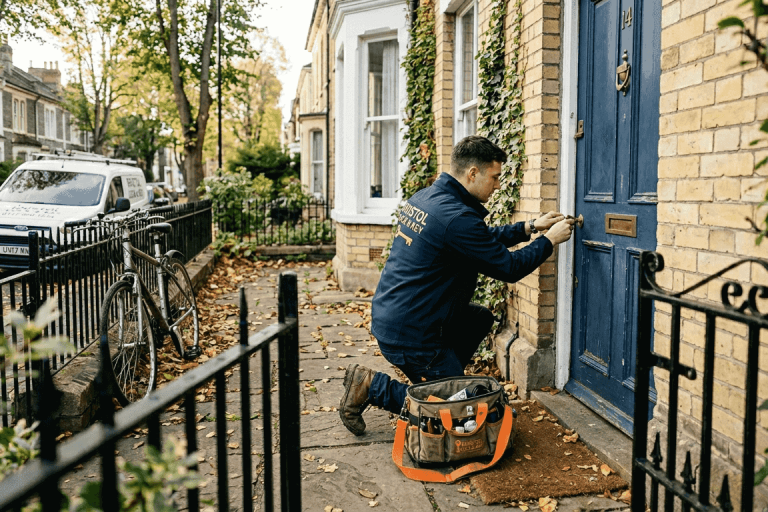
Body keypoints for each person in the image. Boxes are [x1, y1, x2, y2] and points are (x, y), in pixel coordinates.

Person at [339, 135, 576, 435]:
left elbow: (479, 240)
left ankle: (440, 378)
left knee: (480, 318)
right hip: (412, 334)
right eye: (495, 177)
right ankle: (372, 386)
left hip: (400, 316)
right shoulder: (456, 218)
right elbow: (509, 267)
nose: (498, 185)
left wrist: (530, 228)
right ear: (472, 174)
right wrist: (549, 240)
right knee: (462, 416)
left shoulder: (429, 199)